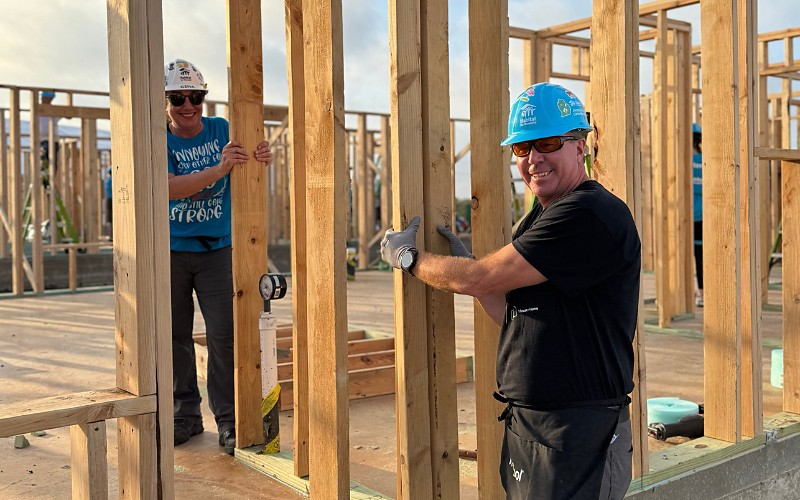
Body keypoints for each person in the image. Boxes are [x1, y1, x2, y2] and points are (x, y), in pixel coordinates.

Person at [381, 83, 640, 500]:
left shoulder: (588, 213)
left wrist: (412, 259)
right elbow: (517, 315)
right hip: (532, 424)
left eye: (548, 143)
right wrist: (481, 282)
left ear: (580, 145)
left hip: (579, 431)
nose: (533, 159)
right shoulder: (539, 216)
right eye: (521, 149)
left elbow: (476, 278)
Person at [165, 59, 273, 455]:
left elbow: (250, 164)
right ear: (165, 101)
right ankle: (185, 418)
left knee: (224, 337)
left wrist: (261, 156)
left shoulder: (222, 129)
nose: (188, 106)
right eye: (178, 98)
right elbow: (169, 187)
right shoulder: (159, 138)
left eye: (195, 97)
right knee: (175, 337)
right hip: (173, 251)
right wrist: (220, 168)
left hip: (217, 251)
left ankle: (228, 421)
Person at [692, 124, 703, 307]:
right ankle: (701, 291)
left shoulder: (683, 160)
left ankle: (700, 292)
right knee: (701, 254)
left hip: (688, 215)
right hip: (702, 215)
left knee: (695, 254)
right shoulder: (703, 159)